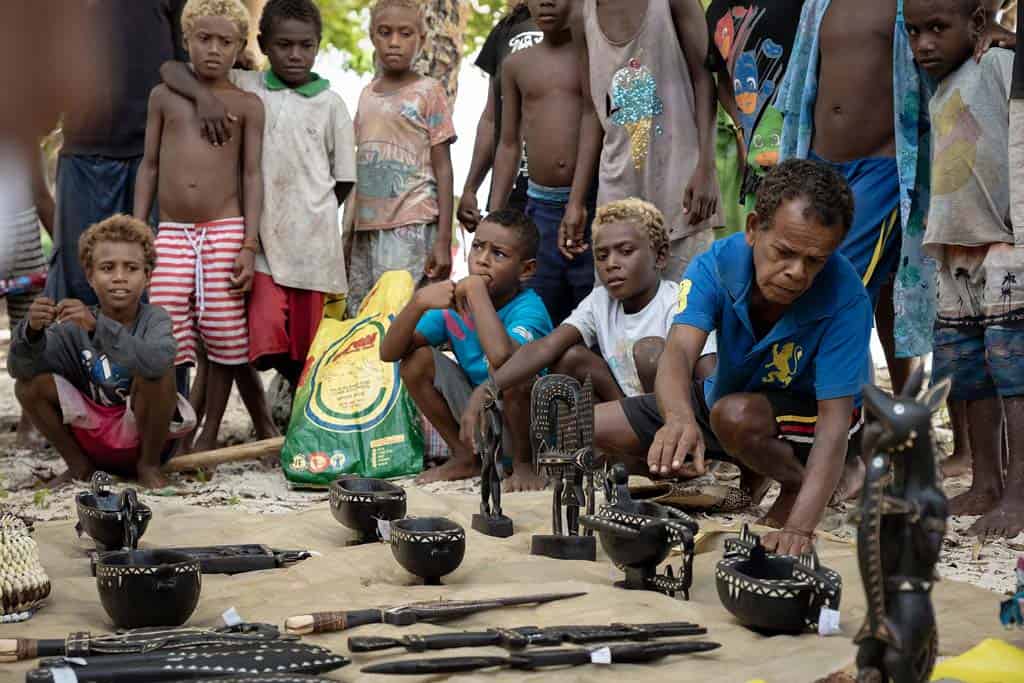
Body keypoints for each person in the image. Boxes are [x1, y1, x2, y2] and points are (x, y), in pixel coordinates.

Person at [594, 160, 872, 557]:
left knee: (733, 416)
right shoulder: (715, 264)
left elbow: (833, 423)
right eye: (784, 253)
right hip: (726, 395)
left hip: (807, 414)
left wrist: (798, 529)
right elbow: (678, 352)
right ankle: (750, 465)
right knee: (590, 426)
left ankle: (795, 482)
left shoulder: (846, 299)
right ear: (754, 228)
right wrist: (678, 420)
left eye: (815, 261)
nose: (797, 272)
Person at [160, 0, 357, 388]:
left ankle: (303, 413)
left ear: (317, 46)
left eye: (306, 46)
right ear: (263, 44)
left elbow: (345, 179)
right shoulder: (246, 84)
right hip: (262, 247)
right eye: (284, 45)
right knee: (263, 340)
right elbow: (171, 69)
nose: (295, 55)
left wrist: (312, 214)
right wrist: (203, 98)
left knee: (309, 351)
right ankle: (291, 388)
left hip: (314, 251)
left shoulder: (331, 105)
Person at [776, 0, 940, 402]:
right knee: (811, 281)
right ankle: (849, 411)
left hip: (881, 169)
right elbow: (803, 81)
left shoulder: (909, 6)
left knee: (839, 284)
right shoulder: (819, 4)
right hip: (817, 164)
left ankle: (850, 416)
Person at [134, 0, 276, 454]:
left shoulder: (249, 106)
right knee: (165, 332)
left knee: (225, 335)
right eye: (204, 39)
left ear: (240, 46)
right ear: (186, 39)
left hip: (224, 231)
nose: (214, 49)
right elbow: (149, 165)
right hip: (172, 233)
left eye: (225, 41)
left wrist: (248, 244)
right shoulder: (164, 97)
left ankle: (208, 433)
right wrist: (138, 230)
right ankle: (170, 430)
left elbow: (251, 175)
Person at [906, 0, 1024, 538]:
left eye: (937, 28)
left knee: (1013, 371)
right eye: (914, 32)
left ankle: (1018, 491)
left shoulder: (999, 64)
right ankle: (986, 481)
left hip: (1005, 243)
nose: (924, 43)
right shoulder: (940, 82)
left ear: (977, 24)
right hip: (954, 248)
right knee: (968, 370)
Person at [459, 199, 700, 440]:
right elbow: (547, 347)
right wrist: (488, 389)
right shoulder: (600, 300)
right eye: (602, 256)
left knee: (650, 352)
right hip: (627, 408)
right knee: (570, 357)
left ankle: (669, 446)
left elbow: (707, 377)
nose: (612, 264)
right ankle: (612, 449)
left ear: (660, 256)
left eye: (626, 252)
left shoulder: (678, 302)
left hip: (676, 415)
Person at [9, 215, 196, 489]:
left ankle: (149, 468)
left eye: (131, 268)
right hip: (93, 442)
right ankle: (78, 466)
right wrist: (31, 332)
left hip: (146, 441)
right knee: (28, 386)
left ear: (147, 276)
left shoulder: (155, 319)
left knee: (158, 372)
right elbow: (20, 370)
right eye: (107, 268)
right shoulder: (73, 326)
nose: (119, 277)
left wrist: (99, 329)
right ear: (90, 277)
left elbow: (157, 362)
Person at [380, 209, 553, 491]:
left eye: (499, 254)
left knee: (514, 372)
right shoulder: (456, 305)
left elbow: (503, 358)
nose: (482, 259)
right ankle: (464, 457)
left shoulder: (529, 309)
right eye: (477, 247)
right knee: (415, 360)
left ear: (526, 270)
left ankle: (524, 465)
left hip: (529, 429)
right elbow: (389, 353)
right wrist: (419, 302)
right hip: (478, 418)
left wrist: (476, 291)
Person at [565, 0, 721, 282]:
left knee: (685, 296)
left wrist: (706, 168)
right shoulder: (581, 14)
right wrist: (575, 201)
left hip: (680, 184)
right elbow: (591, 110)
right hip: (617, 184)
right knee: (616, 297)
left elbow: (704, 79)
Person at [46, 0, 188, 306]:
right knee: (80, 279)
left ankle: (142, 339)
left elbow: (183, 61)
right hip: (83, 155)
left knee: (148, 278)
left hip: (150, 159)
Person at [346, 0, 456, 316]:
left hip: (412, 222)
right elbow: (358, 163)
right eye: (385, 32)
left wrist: (443, 239)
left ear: (421, 39)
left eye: (405, 34)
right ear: (372, 36)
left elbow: (443, 168)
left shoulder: (429, 91)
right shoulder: (367, 94)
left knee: (400, 312)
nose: (394, 42)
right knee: (362, 314)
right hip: (367, 227)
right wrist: (347, 231)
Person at [490, 0, 594, 325]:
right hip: (540, 209)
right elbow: (508, 143)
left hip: (590, 205)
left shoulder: (592, 56)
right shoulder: (516, 64)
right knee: (539, 304)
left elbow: (594, 117)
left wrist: (577, 201)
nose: (546, 2)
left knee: (592, 306)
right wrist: (494, 216)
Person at [705, 0, 805, 234]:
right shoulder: (716, 12)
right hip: (759, 163)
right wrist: (742, 129)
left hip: (803, 151)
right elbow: (723, 82)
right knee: (764, 237)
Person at [458, 0, 541, 230]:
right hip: (507, 193)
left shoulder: (580, 25)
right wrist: (470, 188)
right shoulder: (506, 29)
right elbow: (491, 118)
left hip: (560, 194)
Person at [1, 138, 54, 447]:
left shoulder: (23, 136)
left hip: (26, 251)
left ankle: (30, 423)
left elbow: (42, 198)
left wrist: (70, 252)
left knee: (32, 339)